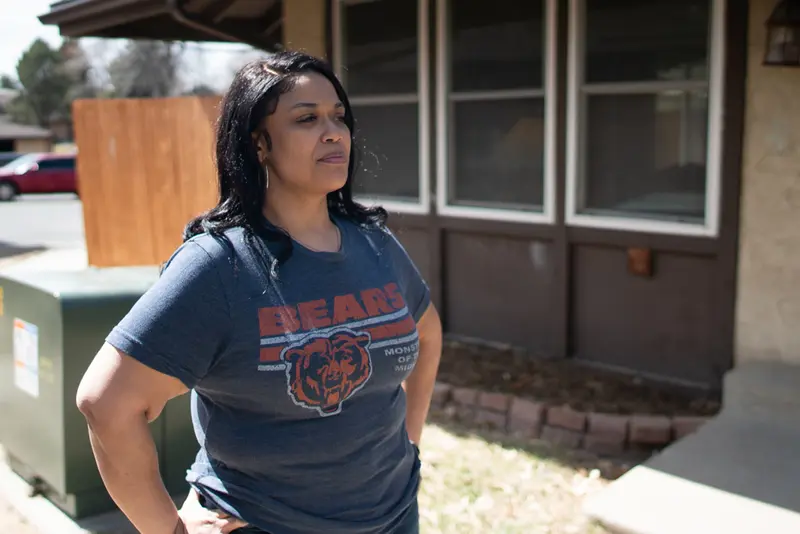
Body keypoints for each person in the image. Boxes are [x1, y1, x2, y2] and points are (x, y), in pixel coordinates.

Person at [75, 50, 442, 534]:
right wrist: (168, 530)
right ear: (259, 144)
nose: (333, 131)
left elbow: (428, 335)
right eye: (306, 119)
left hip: (394, 517)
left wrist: (408, 444)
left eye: (339, 116)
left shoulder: (374, 243)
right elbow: (106, 402)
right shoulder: (219, 265)